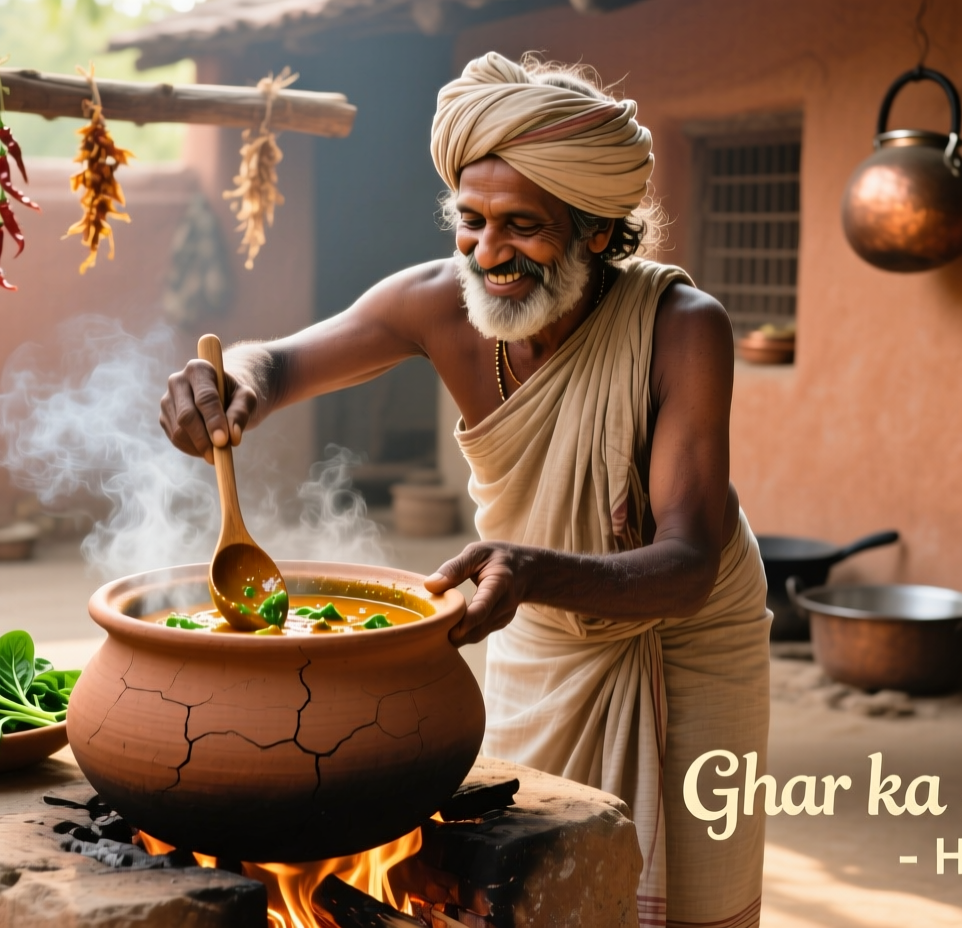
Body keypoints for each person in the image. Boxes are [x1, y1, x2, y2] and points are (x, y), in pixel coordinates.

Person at [160, 52, 770, 928]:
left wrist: (525, 571)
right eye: (472, 221)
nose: (489, 253)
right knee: (521, 869)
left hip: (686, 636)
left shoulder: (682, 329)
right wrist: (231, 383)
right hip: (536, 615)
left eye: (523, 225)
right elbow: (279, 358)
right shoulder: (436, 302)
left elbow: (684, 567)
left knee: (693, 891)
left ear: (597, 231)